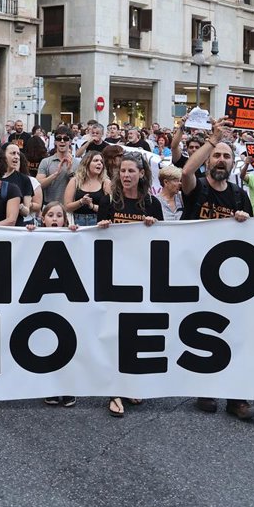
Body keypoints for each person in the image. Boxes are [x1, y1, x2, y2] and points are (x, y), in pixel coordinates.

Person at [180, 117, 254, 421]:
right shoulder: (196, 187)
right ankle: (205, 388)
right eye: (216, 156)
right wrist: (213, 138)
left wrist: (248, 222)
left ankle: (237, 397)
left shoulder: (239, 195)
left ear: (233, 163)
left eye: (226, 156)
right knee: (204, 332)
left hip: (229, 278)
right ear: (208, 160)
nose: (221, 160)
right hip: (195, 273)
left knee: (235, 333)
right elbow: (186, 171)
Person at [97, 153, 163, 418]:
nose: (125, 175)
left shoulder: (152, 204)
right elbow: (97, 240)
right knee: (113, 332)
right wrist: (103, 227)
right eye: (122, 171)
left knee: (134, 332)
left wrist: (154, 227)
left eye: (131, 171)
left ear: (141, 174)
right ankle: (114, 391)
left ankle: (131, 383)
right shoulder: (108, 201)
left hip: (141, 276)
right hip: (113, 276)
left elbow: (164, 240)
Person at [30, 200, 78, 408]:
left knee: (67, 341)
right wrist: (27, 235)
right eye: (51, 215)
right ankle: (49, 386)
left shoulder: (73, 236)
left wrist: (79, 235)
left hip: (66, 299)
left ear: (65, 220)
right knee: (45, 341)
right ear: (43, 219)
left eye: (59, 215)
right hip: (44, 298)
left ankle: (67, 387)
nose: (55, 219)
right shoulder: (34, 235)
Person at [64, 151, 110, 227]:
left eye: (101, 162)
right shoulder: (75, 181)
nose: (99, 163)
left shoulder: (106, 182)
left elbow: (109, 209)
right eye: (95, 160)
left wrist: (92, 206)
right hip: (77, 222)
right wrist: (81, 202)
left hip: (98, 222)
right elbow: (67, 207)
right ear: (87, 163)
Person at [36, 131, 77, 207]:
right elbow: (38, 185)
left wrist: (70, 171)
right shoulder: (46, 161)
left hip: (69, 207)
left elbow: (79, 188)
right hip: (49, 206)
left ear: (70, 142)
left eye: (65, 139)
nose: (62, 141)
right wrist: (55, 174)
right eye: (59, 138)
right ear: (55, 142)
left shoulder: (77, 163)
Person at [1, 142, 38, 226]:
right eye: (13, 153)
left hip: (16, 226)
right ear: (3, 156)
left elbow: (26, 212)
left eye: (18, 154)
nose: (17, 157)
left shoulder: (24, 180)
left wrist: (18, 204)